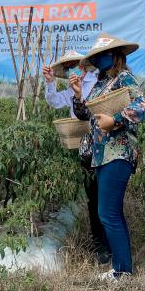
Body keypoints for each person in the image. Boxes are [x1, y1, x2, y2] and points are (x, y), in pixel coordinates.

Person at [70, 33, 145, 280]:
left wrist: (115, 120)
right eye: (98, 56)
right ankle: (122, 268)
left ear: (116, 55)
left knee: (107, 213)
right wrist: (77, 94)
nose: (101, 59)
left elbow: (143, 106)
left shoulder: (124, 78)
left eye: (105, 54)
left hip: (118, 152)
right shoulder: (101, 83)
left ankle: (122, 270)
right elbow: (86, 115)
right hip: (102, 154)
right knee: (111, 212)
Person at [42, 50, 108, 263]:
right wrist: (50, 82)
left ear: (83, 67)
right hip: (84, 145)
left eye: (75, 66)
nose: (72, 71)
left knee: (105, 195)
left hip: (104, 142)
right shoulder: (71, 89)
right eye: (68, 68)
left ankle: (110, 241)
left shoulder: (98, 81)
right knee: (93, 195)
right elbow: (54, 101)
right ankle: (100, 245)